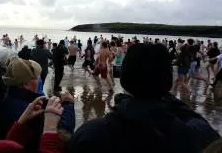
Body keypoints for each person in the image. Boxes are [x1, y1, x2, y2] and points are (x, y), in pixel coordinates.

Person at [68, 43, 220, 153]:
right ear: (167, 81)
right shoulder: (200, 134)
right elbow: (193, 119)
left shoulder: (91, 134)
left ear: (125, 80)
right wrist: (167, 96)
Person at [0, 58, 75, 152]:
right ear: (26, 83)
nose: (39, 79)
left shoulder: (5, 100)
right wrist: (68, 104)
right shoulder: (30, 111)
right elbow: (59, 138)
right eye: (37, 77)